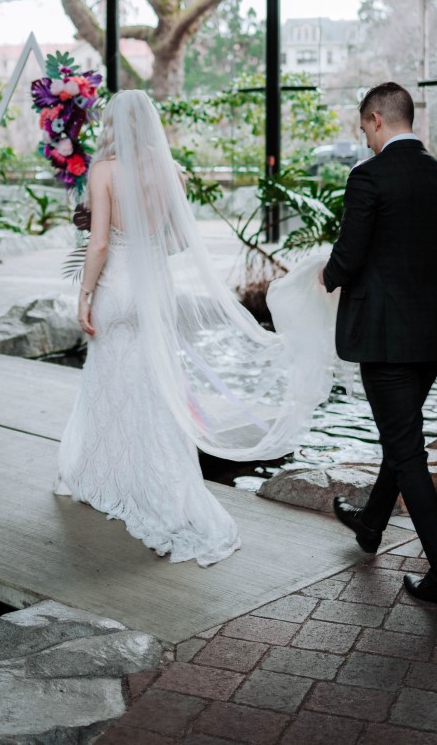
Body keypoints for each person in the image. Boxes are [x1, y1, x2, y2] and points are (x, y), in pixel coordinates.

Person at [54, 90, 340, 566]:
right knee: (153, 384)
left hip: (116, 285)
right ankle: (160, 483)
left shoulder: (103, 171)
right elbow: (181, 238)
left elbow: (99, 243)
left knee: (109, 379)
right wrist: (150, 254)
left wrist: (84, 293)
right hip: (152, 288)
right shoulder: (169, 172)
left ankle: (107, 475)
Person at [322, 82, 437, 606]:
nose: (364, 139)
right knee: (402, 435)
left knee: (405, 451)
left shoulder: (369, 177)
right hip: (430, 333)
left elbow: (349, 255)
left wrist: (325, 277)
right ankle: (370, 523)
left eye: (364, 128)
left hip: (384, 338)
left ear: (378, 120)